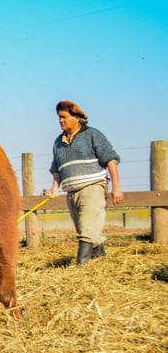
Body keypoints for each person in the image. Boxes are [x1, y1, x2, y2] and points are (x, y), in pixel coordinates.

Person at [48, 100, 123, 265]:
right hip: (72, 192)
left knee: (87, 229)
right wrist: (55, 187)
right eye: (59, 118)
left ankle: (80, 267)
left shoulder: (92, 135)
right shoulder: (58, 142)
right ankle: (100, 261)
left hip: (93, 187)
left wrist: (116, 187)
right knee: (85, 229)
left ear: (77, 118)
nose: (61, 120)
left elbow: (110, 159)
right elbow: (56, 168)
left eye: (64, 117)